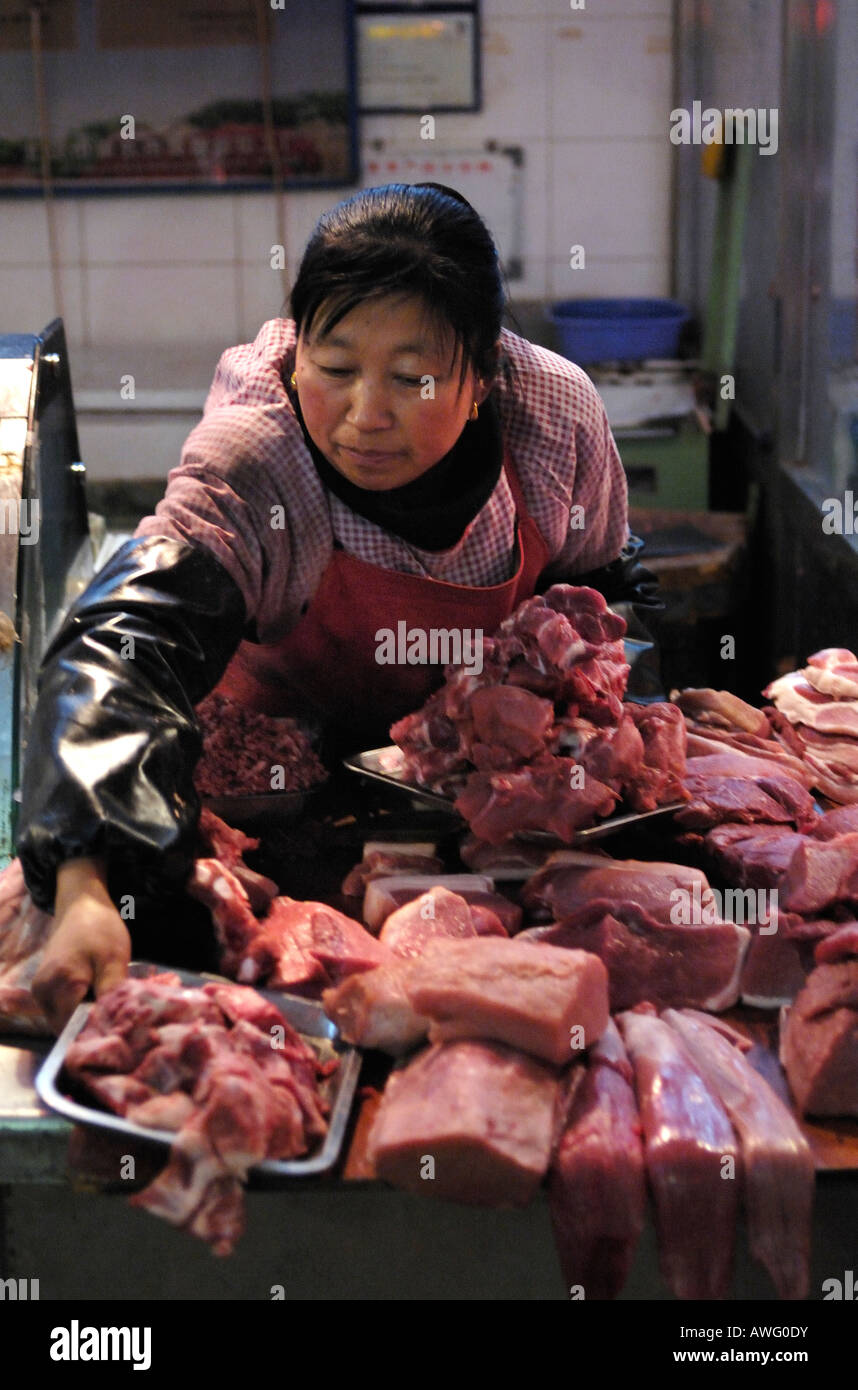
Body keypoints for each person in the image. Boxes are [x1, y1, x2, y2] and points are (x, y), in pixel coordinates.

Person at [17, 182, 654, 1031]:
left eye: (413, 377)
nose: (365, 416)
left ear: (484, 378)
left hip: (484, 824)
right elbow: (125, 643)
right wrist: (88, 881)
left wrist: (575, 755)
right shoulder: (259, 452)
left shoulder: (552, 419)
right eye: (337, 368)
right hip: (271, 818)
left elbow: (598, 612)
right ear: (297, 352)